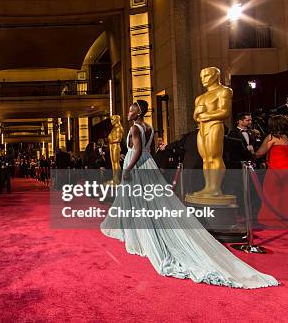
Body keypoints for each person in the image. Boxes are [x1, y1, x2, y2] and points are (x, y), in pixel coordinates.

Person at [100, 100, 278, 288]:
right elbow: (147, 150)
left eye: (131, 110)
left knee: (140, 201)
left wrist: (128, 168)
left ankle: (142, 233)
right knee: (150, 201)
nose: (128, 113)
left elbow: (136, 150)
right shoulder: (149, 127)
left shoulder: (135, 129)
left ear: (138, 112)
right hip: (149, 164)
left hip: (137, 165)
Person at [254, 115, 288, 228]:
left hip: (277, 169)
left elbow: (260, 152)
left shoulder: (272, 137)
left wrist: (249, 156)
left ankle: (272, 219)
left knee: (271, 193)